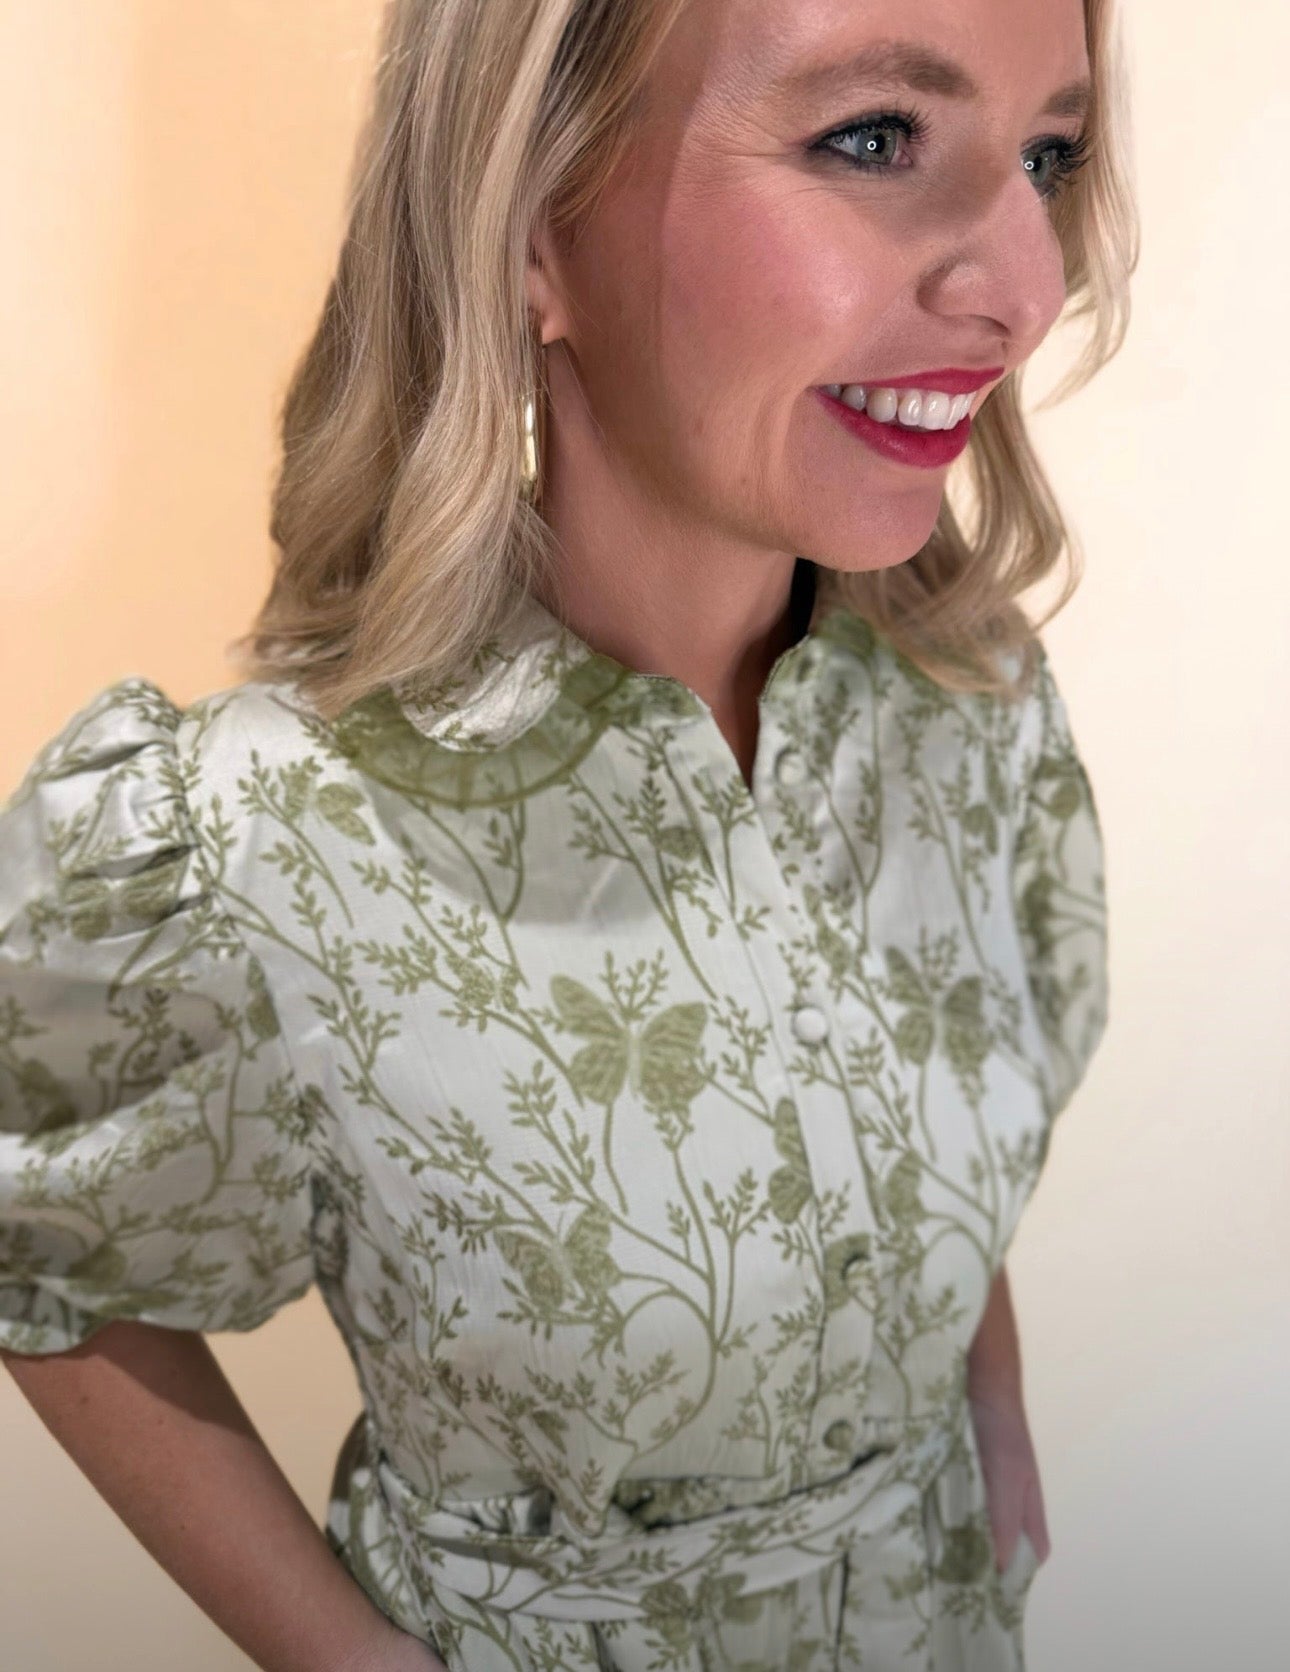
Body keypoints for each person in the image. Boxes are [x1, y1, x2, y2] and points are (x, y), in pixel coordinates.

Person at [0, 0, 1137, 1667]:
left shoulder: (968, 710)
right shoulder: (249, 842)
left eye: (1045, 155)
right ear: (535, 224)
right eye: (876, 138)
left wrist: (987, 1405)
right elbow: (51, 1265)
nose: (1022, 286)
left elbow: (907, 1146)